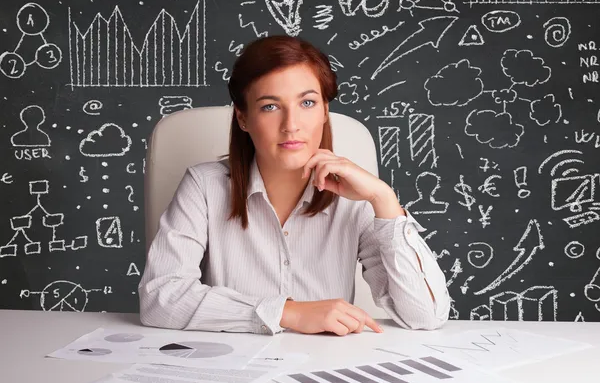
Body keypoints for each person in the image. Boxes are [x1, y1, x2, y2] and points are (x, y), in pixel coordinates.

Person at [138, 35, 450, 336]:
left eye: (308, 103)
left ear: (325, 111)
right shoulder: (204, 187)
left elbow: (426, 316)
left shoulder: (358, 197)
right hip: (230, 370)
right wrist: (290, 313)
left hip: (326, 370)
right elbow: (160, 299)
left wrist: (384, 199)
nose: (291, 125)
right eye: (270, 106)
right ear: (243, 118)